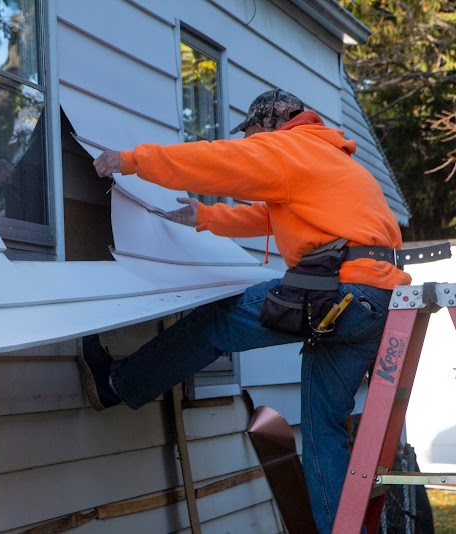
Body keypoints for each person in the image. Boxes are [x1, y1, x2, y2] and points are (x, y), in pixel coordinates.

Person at [81, 88, 411, 533]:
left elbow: (218, 162)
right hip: (376, 306)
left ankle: (116, 384)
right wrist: (206, 217)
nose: (251, 143)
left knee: (217, 322)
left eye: (253, 134)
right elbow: (269, 215)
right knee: (323, 432)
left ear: (270, 124)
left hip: (340, 293)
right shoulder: (330, 159)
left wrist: (134, 160)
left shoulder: (288, 148)